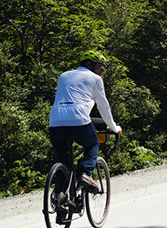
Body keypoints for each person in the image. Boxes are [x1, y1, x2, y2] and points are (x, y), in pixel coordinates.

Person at [49, 50, 123, 193]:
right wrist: (114, 127)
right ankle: (85, 174)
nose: (102, 70)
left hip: (55, 121)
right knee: (92, 143)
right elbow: (103, 106)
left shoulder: (64, 76)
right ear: (89, 63)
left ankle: (60, 198)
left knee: (63, 162)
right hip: (79, 118)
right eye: (100, 66)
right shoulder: (95, 79)